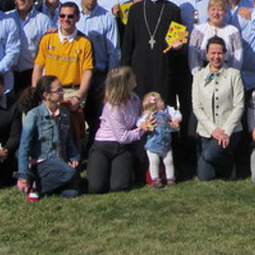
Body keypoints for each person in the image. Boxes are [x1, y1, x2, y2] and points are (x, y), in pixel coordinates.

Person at [121, 0, 188, 108]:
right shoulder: (134, 10)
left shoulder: (173, 10)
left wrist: (178, 45)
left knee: (162, 109)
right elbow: (128, 43)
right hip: (139, 68)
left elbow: (177, 42)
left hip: (163, 67)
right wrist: (125, 71)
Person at [32, 2, 93, 144]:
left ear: (77, 18)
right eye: (62, 15)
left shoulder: (84, 42)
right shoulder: (47, 38)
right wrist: (36, 92)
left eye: (70, 16)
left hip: (73, 90)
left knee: (72, 129)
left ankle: (73, 158)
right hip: (50, 90)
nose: (66, 19)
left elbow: (87, 72)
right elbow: (38, 67)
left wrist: (79, 96)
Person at [16, 75, 81, 200]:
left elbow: (68, 140)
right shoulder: (34, 115)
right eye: (59, 90)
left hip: (61, 161)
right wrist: (23, 175)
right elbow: (24, 147)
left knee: (72, 193)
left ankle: (49, 187)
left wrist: (74, 157)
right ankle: (34, 186)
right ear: (46, 95)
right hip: (42, 163)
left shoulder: (65, 113)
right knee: (70, 173)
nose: (63, 93)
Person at [192, 38, 245, 181]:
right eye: (213, 53)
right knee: (205, 176)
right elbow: (197, 107)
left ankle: (228, 165)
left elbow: (239, 105)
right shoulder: (198, 77)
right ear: (207, 54)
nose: (216, 57)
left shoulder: (234, 75)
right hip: (206, 131)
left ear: (225, 54)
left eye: (220, 53)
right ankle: (225, 168)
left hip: (230, 131)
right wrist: (213, 130)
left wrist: (226, 131)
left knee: (209, 155)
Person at [88, 65, 144, 193]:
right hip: (104, 145)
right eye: (132, 76)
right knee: (96, 188)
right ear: (126, 82)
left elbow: (138, 120)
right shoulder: (113, 107)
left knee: (119, 187)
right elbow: (123, 137)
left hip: (122, 149)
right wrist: (143, 129)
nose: (135, 77)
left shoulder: (135, 99)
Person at [77, 0, 120, 135]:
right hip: (78, 77)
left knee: (99, 120)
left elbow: (114, 51)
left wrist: (110, 79)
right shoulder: (73, 17)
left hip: (99, 76)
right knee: (77, 120)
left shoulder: (107, 17)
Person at [11, 0, 54, 93]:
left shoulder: (43, 20)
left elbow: (49, 50)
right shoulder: (7, 18)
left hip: (32, 74)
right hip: (10, 75)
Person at [188, 0, 243, 74]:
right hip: (203, 73)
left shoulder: (233, 31)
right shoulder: (198, 30)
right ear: (208, 11)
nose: (216, 13)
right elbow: (193, 56)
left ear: (225, 12)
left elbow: (238, 55)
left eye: (220, 10)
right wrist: (198, 75)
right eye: (213, 9)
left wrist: (231, 75)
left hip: (226, 73)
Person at [137, 91, 181, 188]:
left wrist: (176, 120)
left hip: (166, 143)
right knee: (154, 162)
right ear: (154, 105)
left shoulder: (168, 110)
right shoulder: (148, 114)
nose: (163, 102)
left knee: (169, 160)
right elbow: (139, 121)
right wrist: (144, 125)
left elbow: (177, 114)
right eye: (160, 101)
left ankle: (170, 178)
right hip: (153, 144)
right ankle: (155, 179)